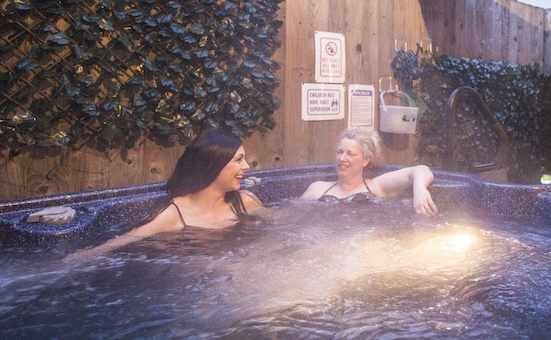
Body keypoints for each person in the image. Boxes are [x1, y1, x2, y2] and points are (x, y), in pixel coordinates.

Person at [67, 129, 264, 259]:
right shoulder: (174, 215)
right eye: (238, 160)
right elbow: (121, 242)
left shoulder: (245, 202)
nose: (246, 166)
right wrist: (69, 263)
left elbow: (285, 225)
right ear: (213, 164)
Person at [299, 128, 437, 215]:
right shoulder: (317, 188)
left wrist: (419, 189)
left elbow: (422, 170)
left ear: (365, 160)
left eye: (350, 154)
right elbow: (293, 215)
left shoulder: (375, 186)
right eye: (339, 152)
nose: (342, 158)